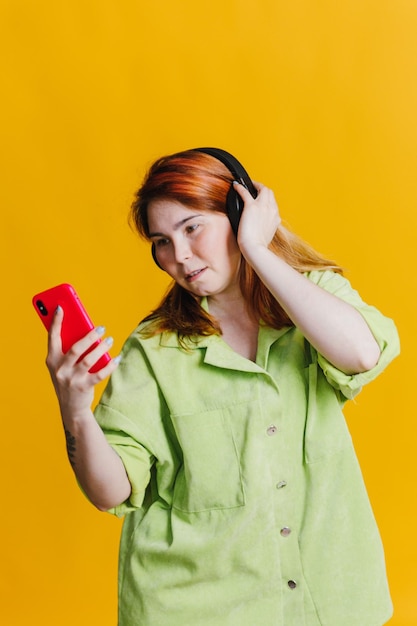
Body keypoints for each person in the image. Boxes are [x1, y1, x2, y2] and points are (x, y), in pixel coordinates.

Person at [46, 148, 400, 626]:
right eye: (162, 242)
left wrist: (259, 248)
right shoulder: (154, 349)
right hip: (194, 608)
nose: (180, 257)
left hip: (327, 601)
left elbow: (360, 353)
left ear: (239, 212)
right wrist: (76, 410)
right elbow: (110, 491)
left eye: (192, 228)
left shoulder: (312, 300)